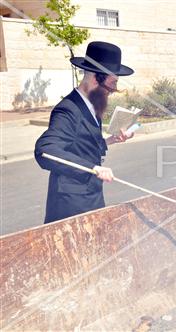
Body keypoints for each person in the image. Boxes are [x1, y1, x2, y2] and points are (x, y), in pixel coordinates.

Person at [34, 41, 134, 223]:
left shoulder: (90, 105)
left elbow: (80, 145)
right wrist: (93, 168)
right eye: (112, 85)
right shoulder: (68, 110)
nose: (112, 91)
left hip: (91, 195)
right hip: (72, 205)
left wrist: (110, 140)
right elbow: (46, 150)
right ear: (96, 78)